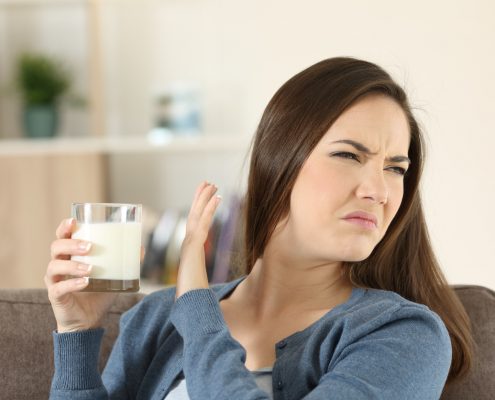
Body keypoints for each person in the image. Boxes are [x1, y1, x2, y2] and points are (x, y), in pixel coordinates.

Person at [45, 57, 474, 400]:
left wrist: (197, 309)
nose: (378, 190)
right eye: (349, 156)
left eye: (395, 168)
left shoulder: (405, 335)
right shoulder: (156, 318)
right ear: (280, 160)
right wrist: (77, 335)